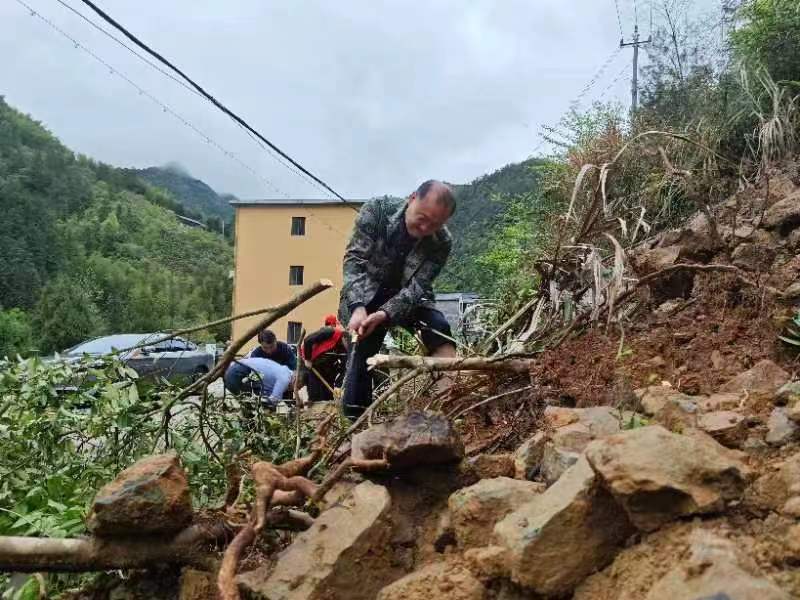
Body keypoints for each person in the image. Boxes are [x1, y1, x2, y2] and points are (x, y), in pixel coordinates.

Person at [339, 180, 457, 420]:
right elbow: (354, 261)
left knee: (439, 328)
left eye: (434, 224)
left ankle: (448, 404)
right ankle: (355, 423)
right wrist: (358, 308)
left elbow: (418, 287)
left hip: (409, 296)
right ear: (412, 198)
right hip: (366, 292)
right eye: (422, 218)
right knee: (363, 348)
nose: (425, 228)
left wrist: (386, 314)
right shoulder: (378, 210)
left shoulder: (442, 242)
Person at [300, 314, 346, 402]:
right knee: (315, 396)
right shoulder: (329, 331)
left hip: (327, 369)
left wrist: (338, 385)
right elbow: (308, 340)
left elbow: (343, 368)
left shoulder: (344, 349)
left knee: (328, 396)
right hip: (312, 364)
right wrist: (308, 359)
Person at [223, 356, 294, 408]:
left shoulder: (281, 371)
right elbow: (273, 400)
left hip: (233, 370)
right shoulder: (285, 377)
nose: (295, 389)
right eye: (298, 387)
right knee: (253, 404)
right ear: (295, 379)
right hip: (239, 371)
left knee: (252, 402)